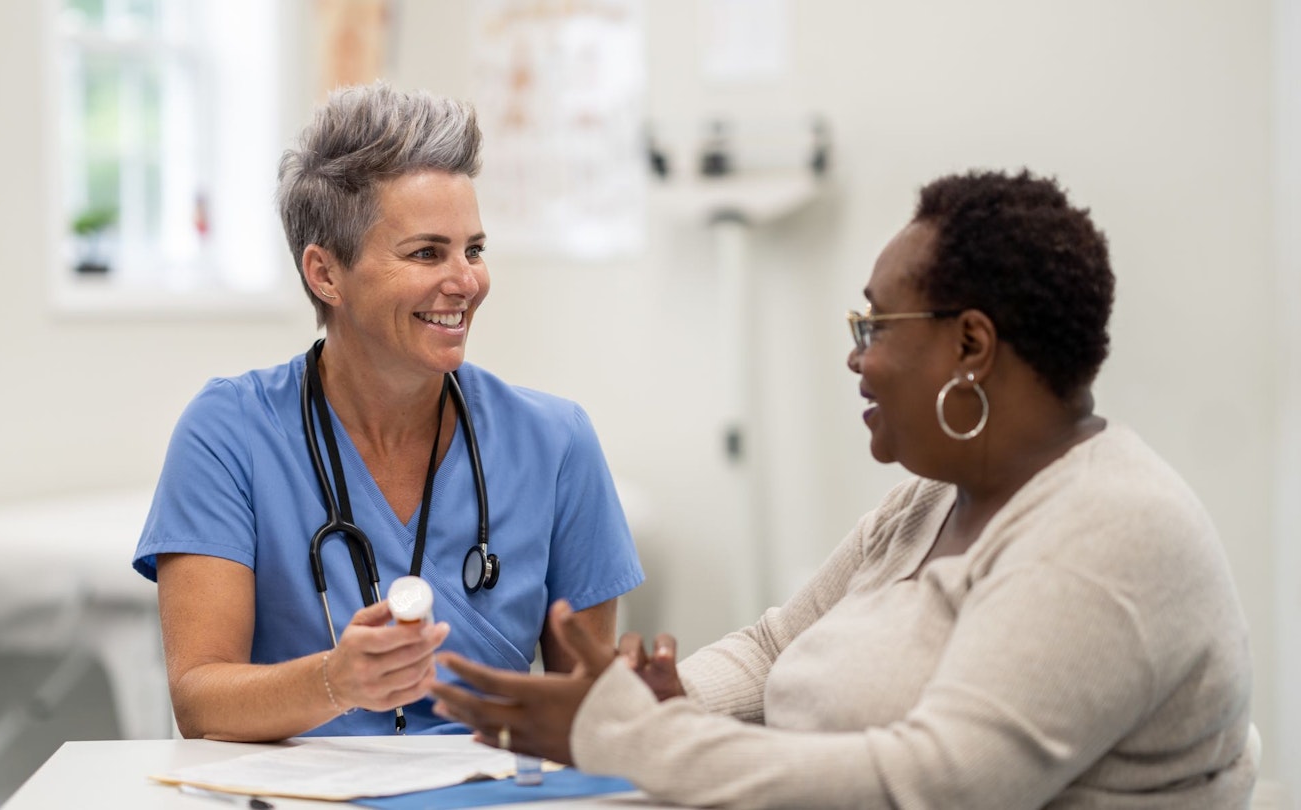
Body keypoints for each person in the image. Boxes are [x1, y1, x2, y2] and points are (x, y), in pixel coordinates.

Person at [431, 170, 1256, 807]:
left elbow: (929, 787)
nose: (856, 360)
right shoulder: (939, 498)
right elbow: (773, 648)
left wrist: (628, 736)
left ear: (971, 344)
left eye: (875, 328)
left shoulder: (1108, 534)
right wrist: (670, 694)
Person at [132, 83, 644, 741]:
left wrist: (632, 703)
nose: (466, 280)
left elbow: (585, 709)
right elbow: (200, 700)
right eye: (427, 252)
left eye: (474, 249)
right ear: (325, 275)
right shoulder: (228, 433)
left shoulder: (555, 443)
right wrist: (337, 681)